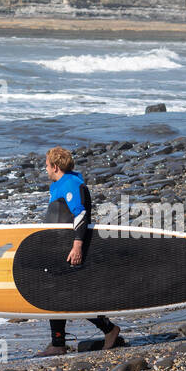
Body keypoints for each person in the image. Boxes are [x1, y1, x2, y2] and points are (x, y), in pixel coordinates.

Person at [37, 146, 121, 356]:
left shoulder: (72, 184)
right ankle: (58, 343)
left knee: (72, 295)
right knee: (56, 294)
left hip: (72, 248)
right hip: (59, 247)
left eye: (46, 165)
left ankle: (109, 329)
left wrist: (77, 246)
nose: (45, 169)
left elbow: (81, 215)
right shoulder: (57, 186)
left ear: (55, 166)